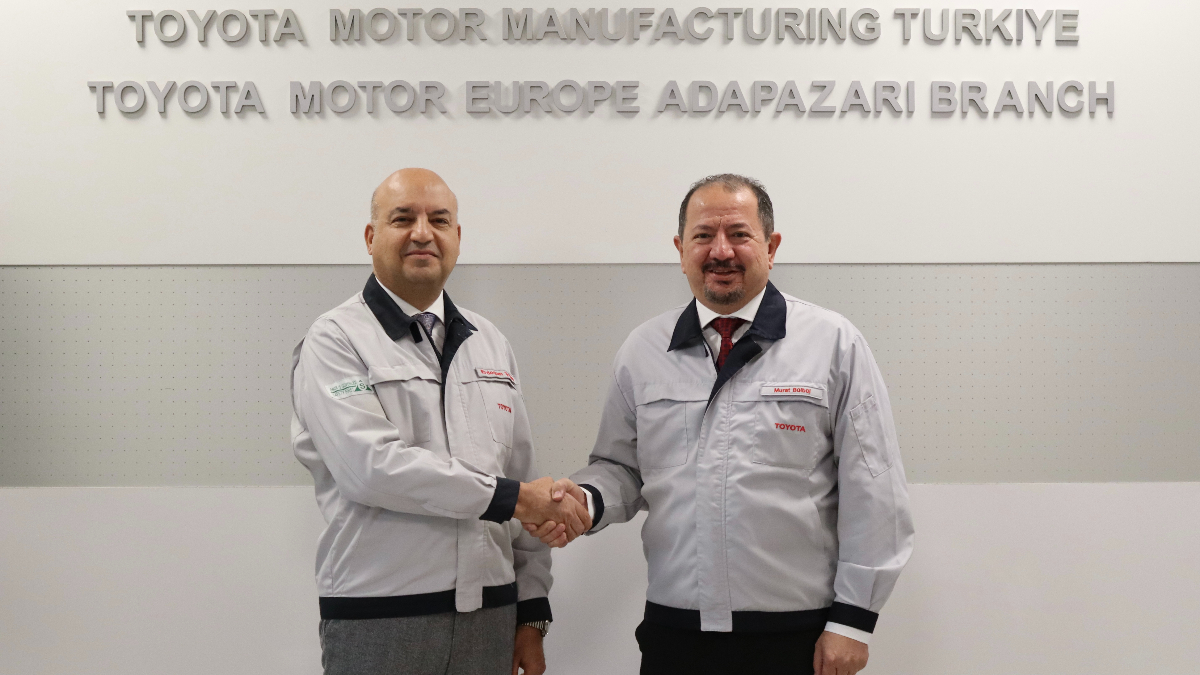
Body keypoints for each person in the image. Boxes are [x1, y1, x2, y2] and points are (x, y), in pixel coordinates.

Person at [530, 174, 914, 675]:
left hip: (797, 636)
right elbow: (621, 467)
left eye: (738, 234)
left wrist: (854, 621)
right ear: (680, 250)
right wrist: (585, 500)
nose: (721, 251)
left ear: (771, 247)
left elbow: (875, 489)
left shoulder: (832, 344)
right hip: (675, 634)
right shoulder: (643, 350)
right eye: (703, 236)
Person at [291, 168, 590, 675]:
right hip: (381, 621)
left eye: (439, 220)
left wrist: (531, 611)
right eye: (402, 218)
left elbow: (521, 472)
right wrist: (516, 498)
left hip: (491, 618)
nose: (422, 233)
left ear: (457, 236)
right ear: (370, 237)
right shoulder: (335, 340)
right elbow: (371, 468)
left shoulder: (489, 342)